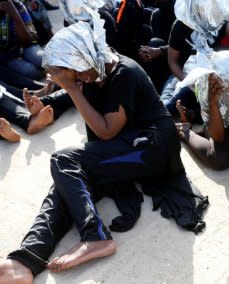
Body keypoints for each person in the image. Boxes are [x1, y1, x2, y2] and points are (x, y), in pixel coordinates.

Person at [0, 18, 190, 282]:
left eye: (69, 72)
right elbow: (70, 94)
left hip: (151, 149)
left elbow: (106, 131)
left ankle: (96, 237)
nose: (70, 79)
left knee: (64, 160)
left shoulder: (124, 72)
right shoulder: (94, 69)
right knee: (67, 183)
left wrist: (69, 87)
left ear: (80, 61)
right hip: (124, 146)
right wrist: (42, 101)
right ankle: (25, 260)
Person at [0, 0, 45, 91]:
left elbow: (30, 39)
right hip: (7, 57)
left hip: (25, 47)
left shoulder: (17, 6)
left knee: (43, 59)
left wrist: (13, 13)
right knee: (31, 72)